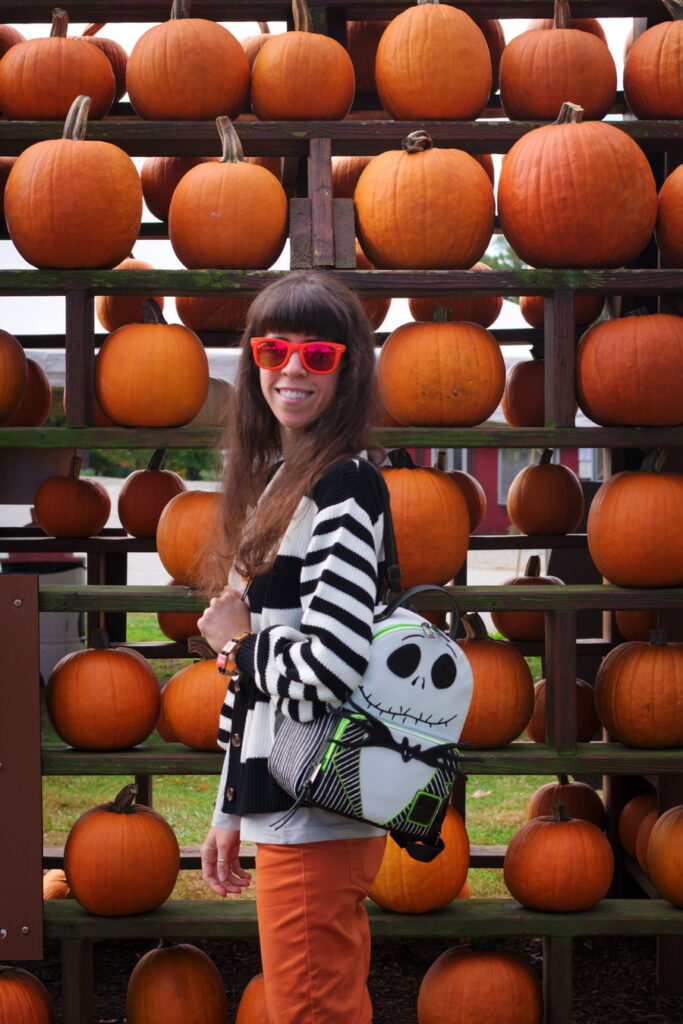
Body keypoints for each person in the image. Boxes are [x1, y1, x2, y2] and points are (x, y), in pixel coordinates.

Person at [197, 269, 388, 1024]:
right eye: (274, 350)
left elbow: (329, 669)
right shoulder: (282, 479)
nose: (290, 371)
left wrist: (239, 641)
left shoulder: (343, 486)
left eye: (318, 355)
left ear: (348, 368)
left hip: (315, 808)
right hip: (284, 802)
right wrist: (228, 810)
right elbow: (256, 691)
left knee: (313, 1013)